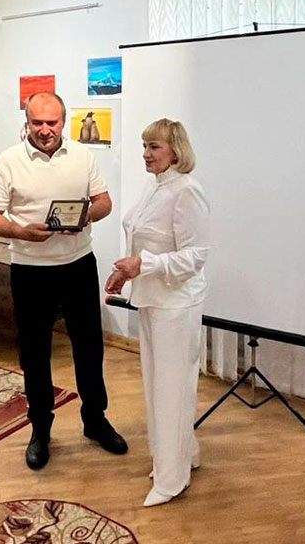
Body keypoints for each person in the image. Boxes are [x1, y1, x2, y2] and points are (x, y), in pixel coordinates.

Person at [0, 92, 128, 471]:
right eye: (37, 123)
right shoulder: (8, 161)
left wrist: (86, 216)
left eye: (52, 122)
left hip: (78, 265)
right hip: (29, 270)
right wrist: (20, 232)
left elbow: (104, 201)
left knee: (89, 349)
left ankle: (95, 420)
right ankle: (40, 430)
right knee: (34, 353)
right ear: (26, 123)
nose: (45, 130)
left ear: (64, 121)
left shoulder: (82, 156)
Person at [105, 118, 210, 507]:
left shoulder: (186, 191)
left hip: (176, 306)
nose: (146, 154)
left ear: (176, 151)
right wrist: (126, 271)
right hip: (153, 299)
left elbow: (196, 256)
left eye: (154, 147)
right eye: (144, 146)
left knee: (171, 392)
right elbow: (143, 238)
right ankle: (184, 455)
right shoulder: (156, 186)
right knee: (161, 388)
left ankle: (171, 479)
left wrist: (143, 265)